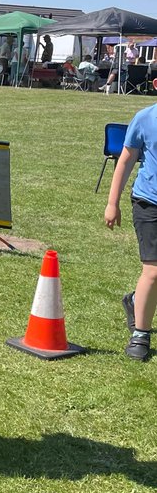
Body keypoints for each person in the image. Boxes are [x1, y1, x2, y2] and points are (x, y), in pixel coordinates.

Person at [104, 107, 157, 360]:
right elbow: (125, 161)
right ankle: (140, 334)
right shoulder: (145, 118)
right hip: (149, 203)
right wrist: (112, 203)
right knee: (154, 270)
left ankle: (136, 300)